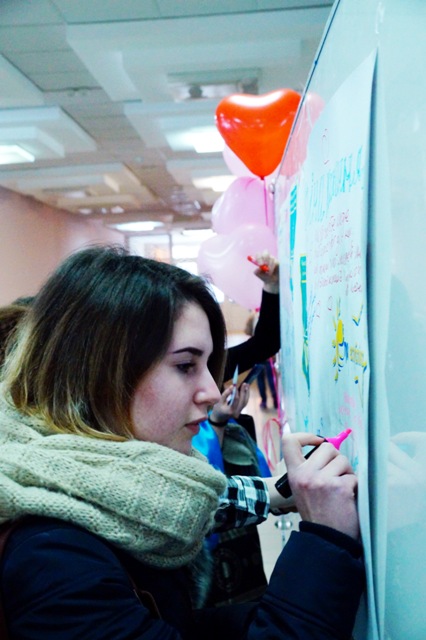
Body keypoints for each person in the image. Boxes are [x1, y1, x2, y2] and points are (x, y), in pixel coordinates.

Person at [0, 245, 364, 639]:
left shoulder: (116, 490)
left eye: (207, 365)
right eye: (185, 365)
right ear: (100, 374)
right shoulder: (55, 558)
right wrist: (325, 539)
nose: (212, 391)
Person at [193, 384, 271, 606]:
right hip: (212, 554)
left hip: (241, 536)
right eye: (185, 368)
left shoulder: (235, 429)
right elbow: (205, 481)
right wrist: (216, 421)